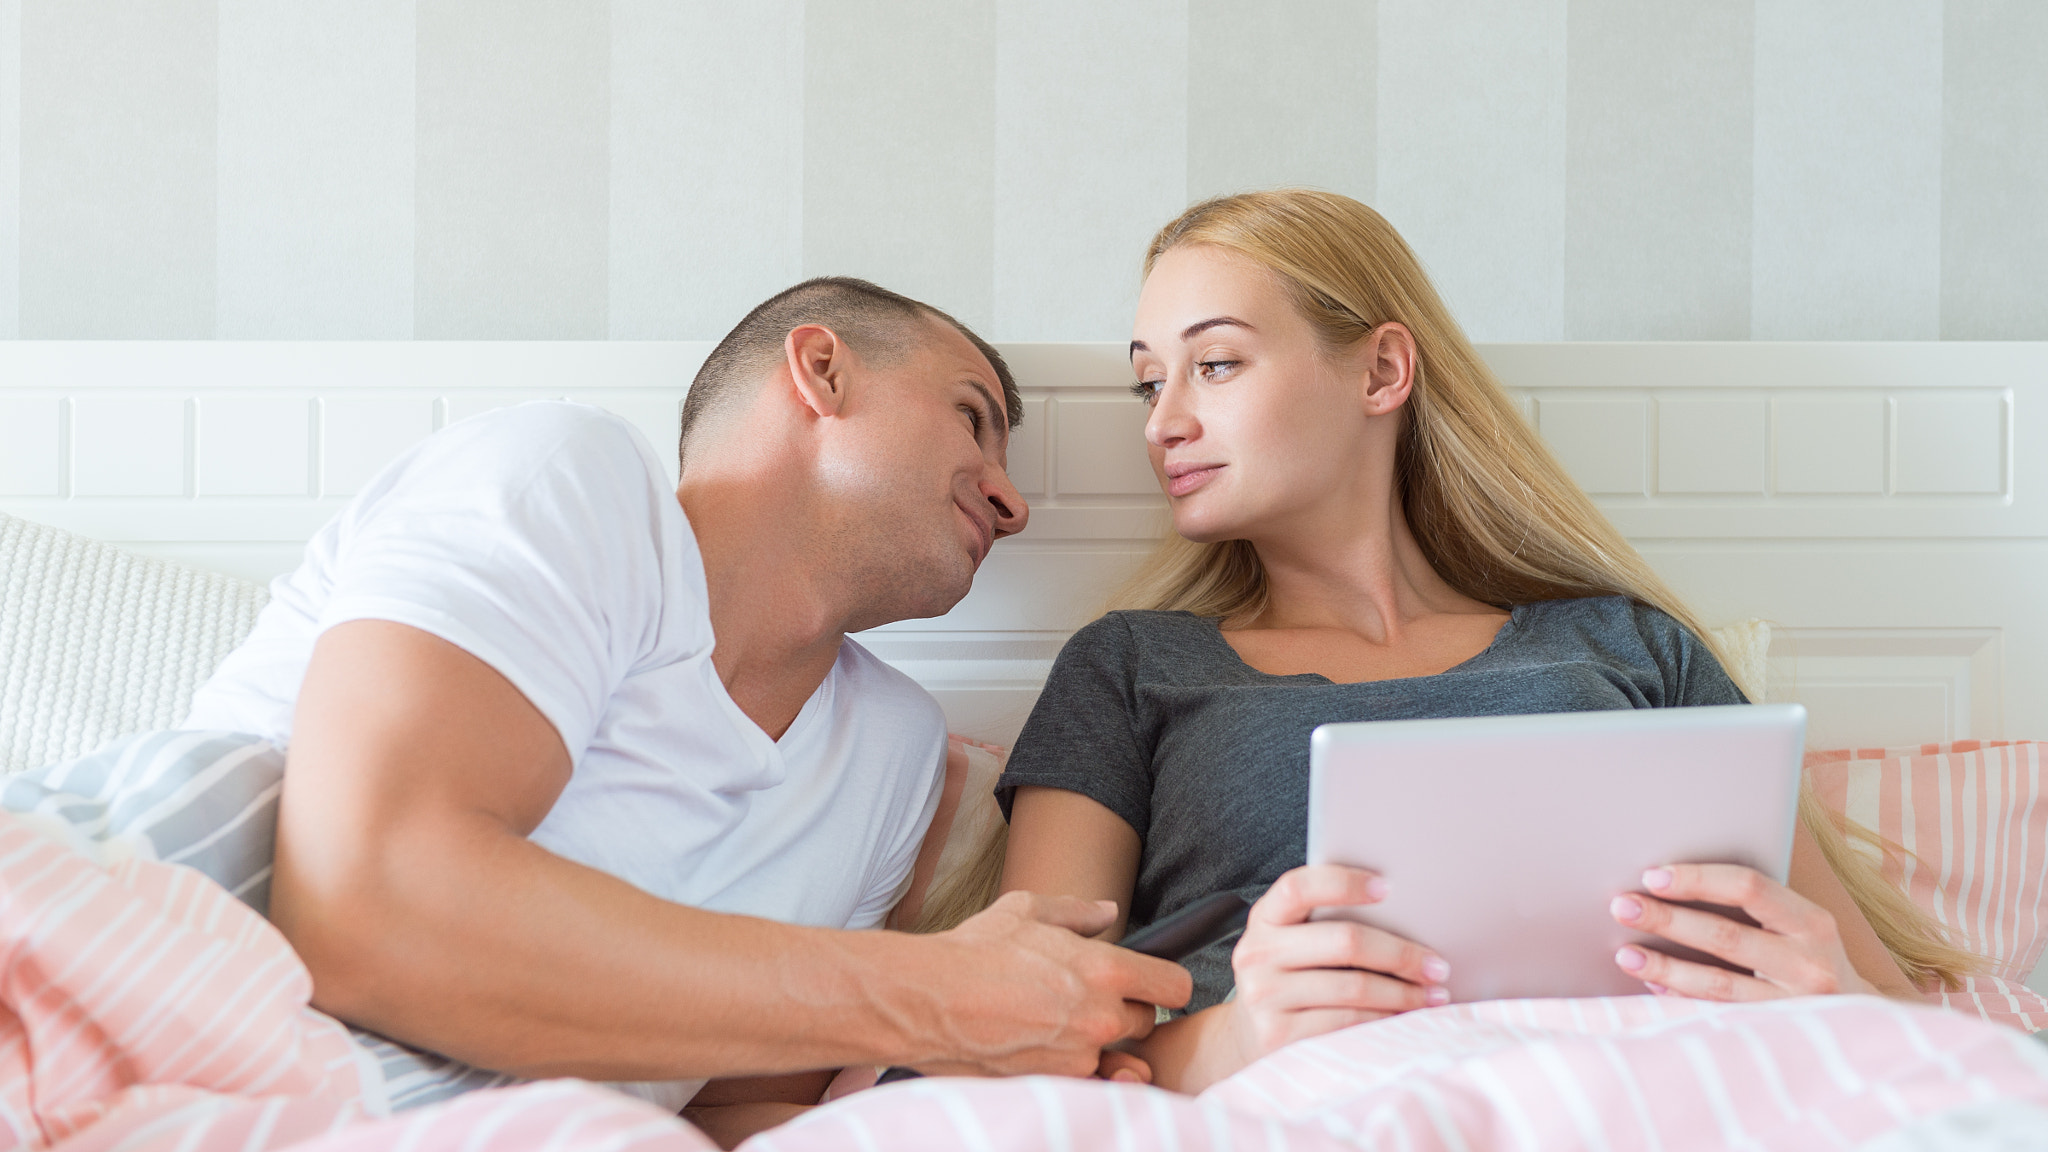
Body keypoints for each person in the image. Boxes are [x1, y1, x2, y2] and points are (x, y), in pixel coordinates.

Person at [994, 191, 1980, 1095]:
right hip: (1310, 1104)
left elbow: (1898, 1022)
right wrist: (1236, 1037)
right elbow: (1018, 1038)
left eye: (1212, 365)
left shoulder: (1629, 646)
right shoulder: (1127, 667)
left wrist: (1834, 998)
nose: (1162, 423)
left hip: (1650, 1090)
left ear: (1380, 370)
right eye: (1146, 386)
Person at [180, 277, 1189, 1126]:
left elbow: (727, 1114)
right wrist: (944, 995)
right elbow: (370, 911)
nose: (1010, 503)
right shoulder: (567, 479)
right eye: (971, 418)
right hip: (185, 1019)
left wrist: (996, 1108)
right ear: (820, 370)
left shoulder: (889, 754)